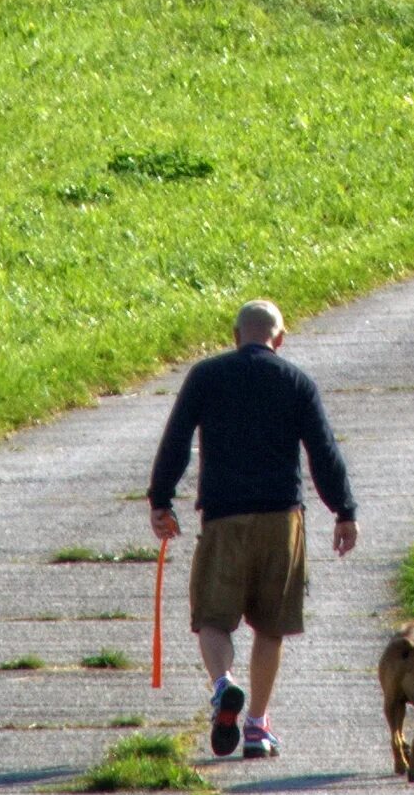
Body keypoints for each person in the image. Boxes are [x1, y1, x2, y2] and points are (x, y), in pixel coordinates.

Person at [147, 299, 358, 759]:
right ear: (278, 339)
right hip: (282, 520)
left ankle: (224, 685)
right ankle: (258, 727)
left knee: (211, 619)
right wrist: (344, 510)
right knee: (271, 626)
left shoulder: (206, 376)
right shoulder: (296, 381)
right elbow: (323, 452)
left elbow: (177, 441)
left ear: (234, 335)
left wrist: (161, 500)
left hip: (224, 518)